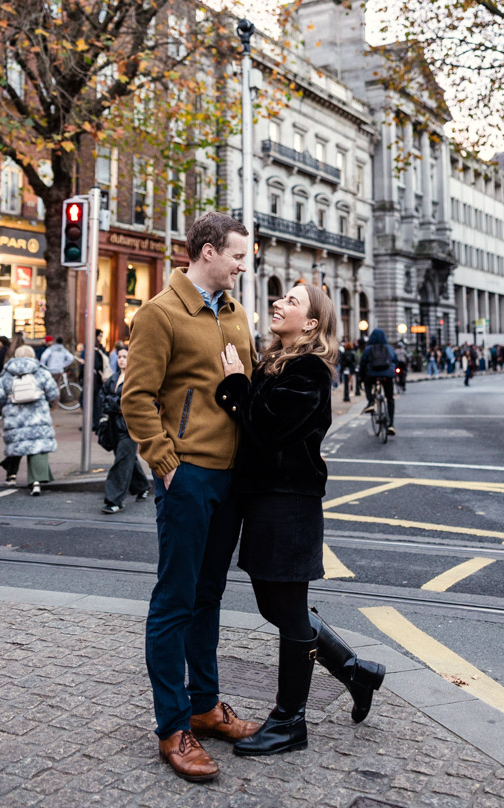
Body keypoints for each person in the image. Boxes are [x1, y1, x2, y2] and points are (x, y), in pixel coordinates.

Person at [216, 284, 385, 757]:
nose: (279, 304)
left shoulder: (309, 369)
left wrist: (235, 384)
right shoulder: (276, 362)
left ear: (311, 324)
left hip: (289, 503)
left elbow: (267, 429)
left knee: (287, 611)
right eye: (282, 298)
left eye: (292, 302)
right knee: (275, 607)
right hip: (267, 500)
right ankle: (354, 671)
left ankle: (290, 720)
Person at [121, 211, 259, 783]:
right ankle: (172, 726)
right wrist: (165, 461)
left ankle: (204, 706)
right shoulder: (160, 312)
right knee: (175, 600)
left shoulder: (236, 313)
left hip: (229, 478)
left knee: (209, 595)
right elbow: (137, 396)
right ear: (207, 252)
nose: (242, 264)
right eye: (236, 255)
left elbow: (242, 390)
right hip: (188, 476)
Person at [0, 345, 59, 493]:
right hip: (38, 416)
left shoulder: (7, 374)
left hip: (14, 417)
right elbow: (53, 393)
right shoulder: (41, 371)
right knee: (37, 445)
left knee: (17, 444)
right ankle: (36, 481)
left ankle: (11, 475)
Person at [101, 346, 150, 513]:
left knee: (122, 460)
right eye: (120, 356)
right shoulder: (113, 378)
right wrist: (116, 405)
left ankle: (114, 500)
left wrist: (114, 404)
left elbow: (131, 402)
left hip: (131, 426)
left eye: (125, 356)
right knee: (127, 458)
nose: (121, 359)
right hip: (114, 425)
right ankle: (142, 486)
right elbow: (102, 398)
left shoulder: (137, 379)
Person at [359, 328, 398, 435]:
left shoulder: (368, 348)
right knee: (390, 398)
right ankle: (391, 425)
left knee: (367, 384)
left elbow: (362, 364)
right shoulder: (389, 348)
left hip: (372, 374)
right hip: (388, 375)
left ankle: (371, 402)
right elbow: (395, 361)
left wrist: (361, 378)